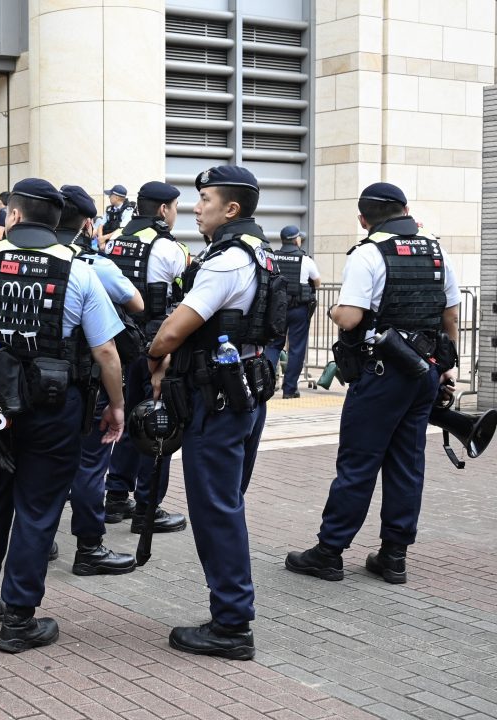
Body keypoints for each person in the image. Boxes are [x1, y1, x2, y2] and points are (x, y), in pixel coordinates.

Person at [0, 178, 126, 653]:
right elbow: (106, 351)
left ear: (15, 216)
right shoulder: (80, 271)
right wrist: (117, 407)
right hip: (56, 409)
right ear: (58, 221)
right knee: (38, 512)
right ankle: (20, 619)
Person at [285, 183, 459, 586]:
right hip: (426, 371)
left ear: (363, 220)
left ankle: (329, 553)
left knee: (359, 463)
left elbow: (350, 318)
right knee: (407, 462)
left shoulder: (368, 253)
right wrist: (447, 367)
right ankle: (393, 556)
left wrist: (332, 308)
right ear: (405, 210)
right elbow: (450, 314)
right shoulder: (437, 251)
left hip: (383, 374)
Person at [147, 165, 283, 661]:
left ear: (231, 208)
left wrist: (154, 360)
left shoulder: (226, 260)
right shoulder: (262, 253)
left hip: (217, 402)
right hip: (243, 393)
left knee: (216, 510)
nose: (196, 206)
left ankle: (231, 625)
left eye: (204, 198)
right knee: (226, 503)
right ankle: (231, 614)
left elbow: (171, 331)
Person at [53, 185, 140, 576]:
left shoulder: (12, 261)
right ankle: (89, 548)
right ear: (88, 222)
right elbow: (135, 304)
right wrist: (118, 403)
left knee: (40, 466)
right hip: (85, 385)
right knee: (89, 466)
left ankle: (40, 540)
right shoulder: (92, 266)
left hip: (27, 389)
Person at [100, 181, 190, 533]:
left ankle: (116, 497)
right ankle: (148, 510)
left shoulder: (118, 239)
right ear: (165, 209)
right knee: (156, 424)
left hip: (119, 343)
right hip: (155, 348)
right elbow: (182, 297)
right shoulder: (167, 248)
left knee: (124, 419)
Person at [264, 225, 321, 399]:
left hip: (277, 310)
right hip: (298, 310)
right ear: (296, 240)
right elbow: (317, 282)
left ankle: (266, 385)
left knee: (273, 346)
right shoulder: (305, 260)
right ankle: (289, 390)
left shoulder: (272, 256)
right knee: (296, 349)